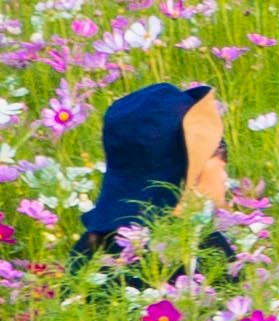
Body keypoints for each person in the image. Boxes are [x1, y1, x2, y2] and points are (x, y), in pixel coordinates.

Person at [70, 77, 230, 272]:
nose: (224, 163)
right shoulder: (199, 250)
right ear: (185, 170)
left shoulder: (90, 249)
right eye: (218, 148)